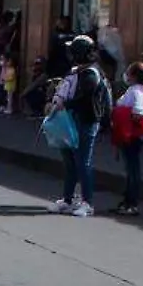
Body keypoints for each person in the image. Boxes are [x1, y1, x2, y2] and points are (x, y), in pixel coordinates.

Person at [46, 35, 111, 217]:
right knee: (70, 162)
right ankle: (67, 199)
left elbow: (85, 98)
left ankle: (87, 202)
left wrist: (64, 104)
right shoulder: (77, 71)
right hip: (71, 120)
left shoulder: (90, 73)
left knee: (83, 162)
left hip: (86, 121)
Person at [110, 63, 143, 215]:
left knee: (132, 169)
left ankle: (131, 203)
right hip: (130, 133)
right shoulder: (136, 90)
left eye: (128, 72)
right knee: (130, 168)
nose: (126, 75)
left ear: (134, 76)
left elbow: (139, 113)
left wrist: (122, 115)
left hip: (132, 134)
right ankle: (127, 201)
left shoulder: (138, 91)